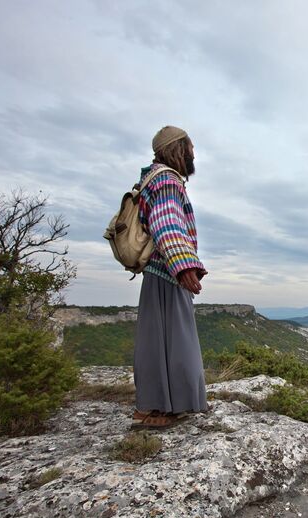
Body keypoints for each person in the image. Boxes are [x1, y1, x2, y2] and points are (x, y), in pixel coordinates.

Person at [130, 125, 210, 430]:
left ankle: (163, 403)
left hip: (158, 270)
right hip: (166, 271)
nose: (193, 154)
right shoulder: (166, 179)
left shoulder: (153, 178)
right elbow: (166, 224)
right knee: (173, 338)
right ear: (178, 148)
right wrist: (184, 264)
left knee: (159, 337)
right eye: (190, 147)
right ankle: (154, 408)